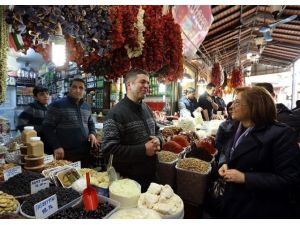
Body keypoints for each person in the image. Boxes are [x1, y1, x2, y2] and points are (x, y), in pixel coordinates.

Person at [217, 86, 300, 218]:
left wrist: (245, 178)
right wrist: (226, 163)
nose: (231, 106)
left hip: (259, 208)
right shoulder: (238, 127)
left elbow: (290, 179)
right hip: (234, 201)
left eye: (237, 102)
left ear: (254, 106)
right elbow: (231, 150)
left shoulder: (281, 134)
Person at [102, 68, 163, 192]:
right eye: (142, 82)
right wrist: (143, 150)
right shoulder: (115, 114)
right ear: (129, 85)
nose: (146, 86)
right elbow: (109, 151)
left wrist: (159, 140)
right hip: (129, 184)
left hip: (151, 175)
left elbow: (157, 130)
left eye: (148, 83)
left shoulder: (146, 108)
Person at [42, 78, 99, 167]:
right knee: (68, 179)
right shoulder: (57, 105)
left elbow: (90, 123)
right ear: (69, 88)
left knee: (86, 177)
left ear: (84, 91)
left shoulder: (87, 107)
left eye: (81, 88)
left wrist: (92, 133)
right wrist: (56, 146)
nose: (77, 90)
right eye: (74, 87)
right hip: (66, 153)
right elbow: (47, 127)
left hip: (85, 152)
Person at [17, 86, 51, 153]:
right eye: (42, 94)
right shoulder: (32, 107)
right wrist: (40, 129)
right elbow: (20, 123)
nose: (46, 96)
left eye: (47, 93)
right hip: (35, 143)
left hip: (47, 142)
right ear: (35, 97)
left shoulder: (48, 108)